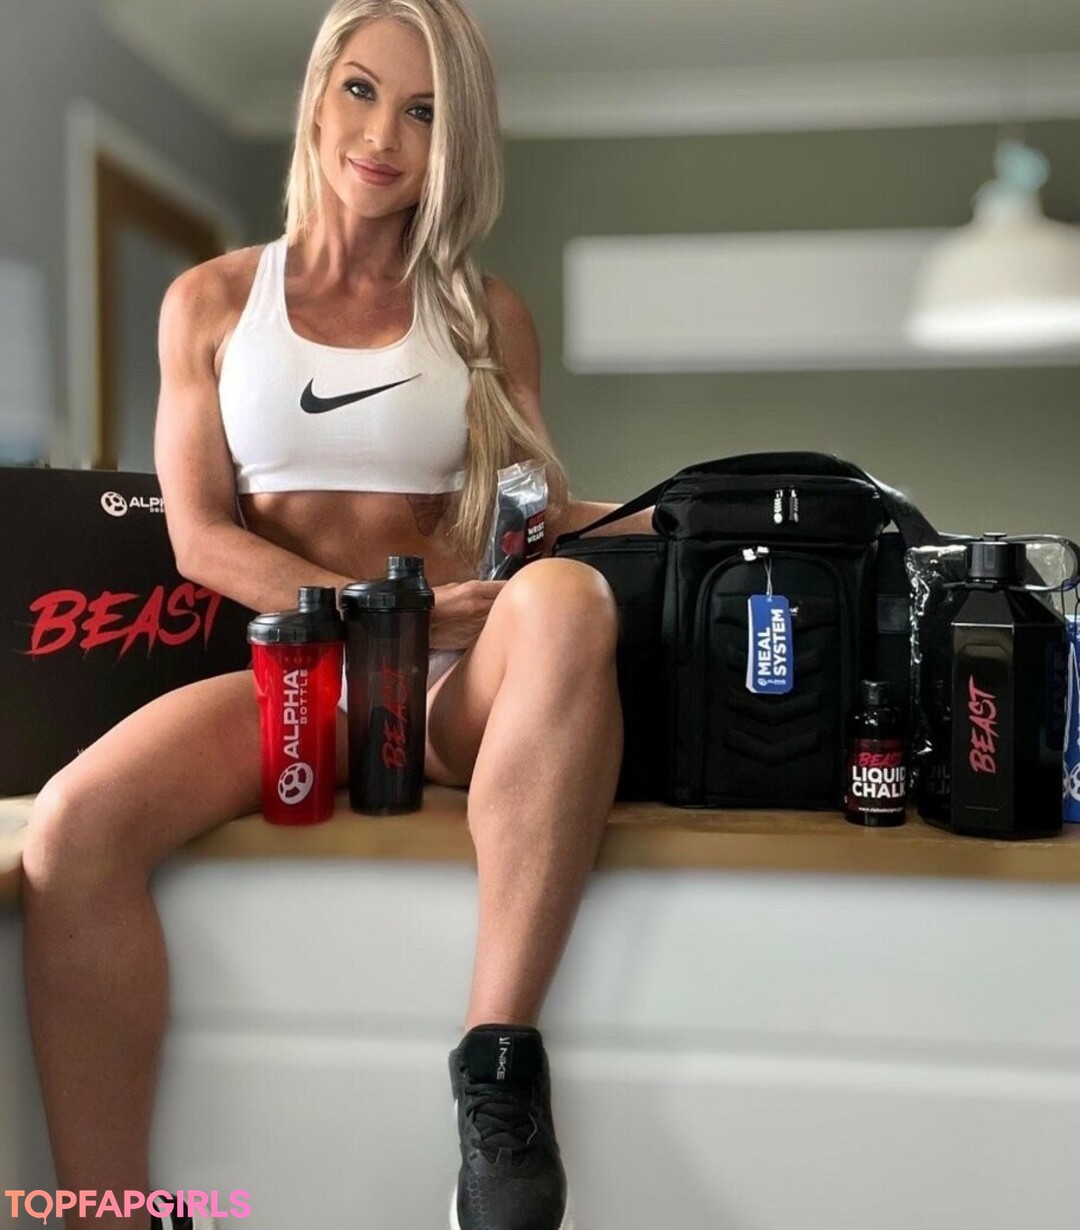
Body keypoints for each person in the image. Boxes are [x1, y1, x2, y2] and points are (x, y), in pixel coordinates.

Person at [21, 2, 653, 1228]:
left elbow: (533, 512)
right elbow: (202, 538)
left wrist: (698, 514)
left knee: (568, 596)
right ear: (317, 96)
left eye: (424, 112)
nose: (384, 137)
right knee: (72, 831)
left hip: (455, 690)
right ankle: (107, 1212)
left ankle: (497, 1074)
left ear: (455, 142)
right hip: (299, 682)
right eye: (361, 91)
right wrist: (377, 608)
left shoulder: (483, 313)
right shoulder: (212, 303)